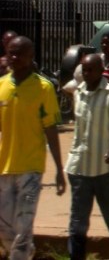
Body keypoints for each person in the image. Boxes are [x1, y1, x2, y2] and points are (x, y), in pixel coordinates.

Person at [0, 36, 65, 260]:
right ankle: (27, 253)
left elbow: (51, 130)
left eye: (20, 53)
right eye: (11, 53)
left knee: (23, 228)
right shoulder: (1, 85)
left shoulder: (43, 88)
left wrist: (59, 169)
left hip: (31, 168)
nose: (14, 57)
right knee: (5, 230)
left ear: (31, 56)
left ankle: (22, 253)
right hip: (4, 168)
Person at [66, 53, 109, 260]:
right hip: (81, 169)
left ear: (100, 70)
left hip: (106, 171)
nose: (86, 74)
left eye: (90, 70)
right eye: (83, 70)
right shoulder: (79, 93)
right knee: (78, 222)